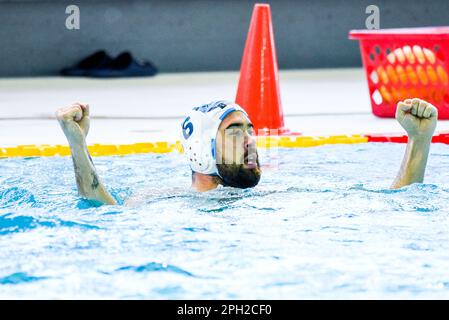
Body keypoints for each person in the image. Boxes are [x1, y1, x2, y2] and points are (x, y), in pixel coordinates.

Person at [55, 98, 437, 205]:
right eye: (235, 131)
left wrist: (418, 142)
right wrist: (78, 145)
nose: (252, 139)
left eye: (251, 130)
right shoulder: (160, 203)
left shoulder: (289, 195)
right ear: (201, 150)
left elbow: (398, 202)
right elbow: (98, 208)